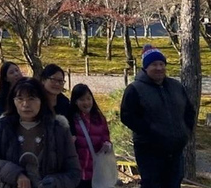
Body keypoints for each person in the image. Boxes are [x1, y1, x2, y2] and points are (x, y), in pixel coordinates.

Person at [0, 77, 81, 188]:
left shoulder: (59, 129)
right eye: (20, 98)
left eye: (31, 98)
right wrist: (15, 174)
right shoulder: (6, 126)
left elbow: (74, 172)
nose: (25, 104)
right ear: (13, 101)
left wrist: (55, 182)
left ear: (41, 100)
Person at [121, 45, 195, 188]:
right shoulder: (135, 89)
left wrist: (186, 132)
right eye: (154, 64)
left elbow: (189, 111)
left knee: (174, 184)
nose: (159, 68)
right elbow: (127, 116)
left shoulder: (176, 86)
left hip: (175, 150)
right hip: (150, 151)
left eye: (161, 64)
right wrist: (149, 131)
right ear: (146, 67)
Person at [70, 84, 112, 188]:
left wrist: (107, 145)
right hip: (76, 171)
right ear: (75, 101)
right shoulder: (71, 119)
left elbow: (105, 137)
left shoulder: (99, 119)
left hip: (95, 171)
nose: (86, 102)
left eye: (89, 98)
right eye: (82, 99)